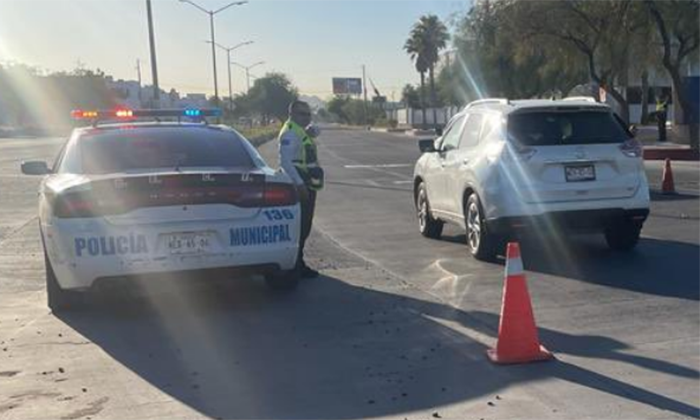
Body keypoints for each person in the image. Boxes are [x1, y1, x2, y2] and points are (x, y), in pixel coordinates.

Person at [278, 100, 324, 278]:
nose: (306, 118)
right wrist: (299, 184)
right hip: (298, 181)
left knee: (306, 225)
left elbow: (315, 131)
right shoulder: (289, 133)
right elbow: (285, 163)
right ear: (292, 115)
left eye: (308, 114)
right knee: (301, 226)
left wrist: (312, 129)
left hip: (306, 180)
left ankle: (299, 262)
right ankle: (295, 265)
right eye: (302, 114)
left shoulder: (300, 130)